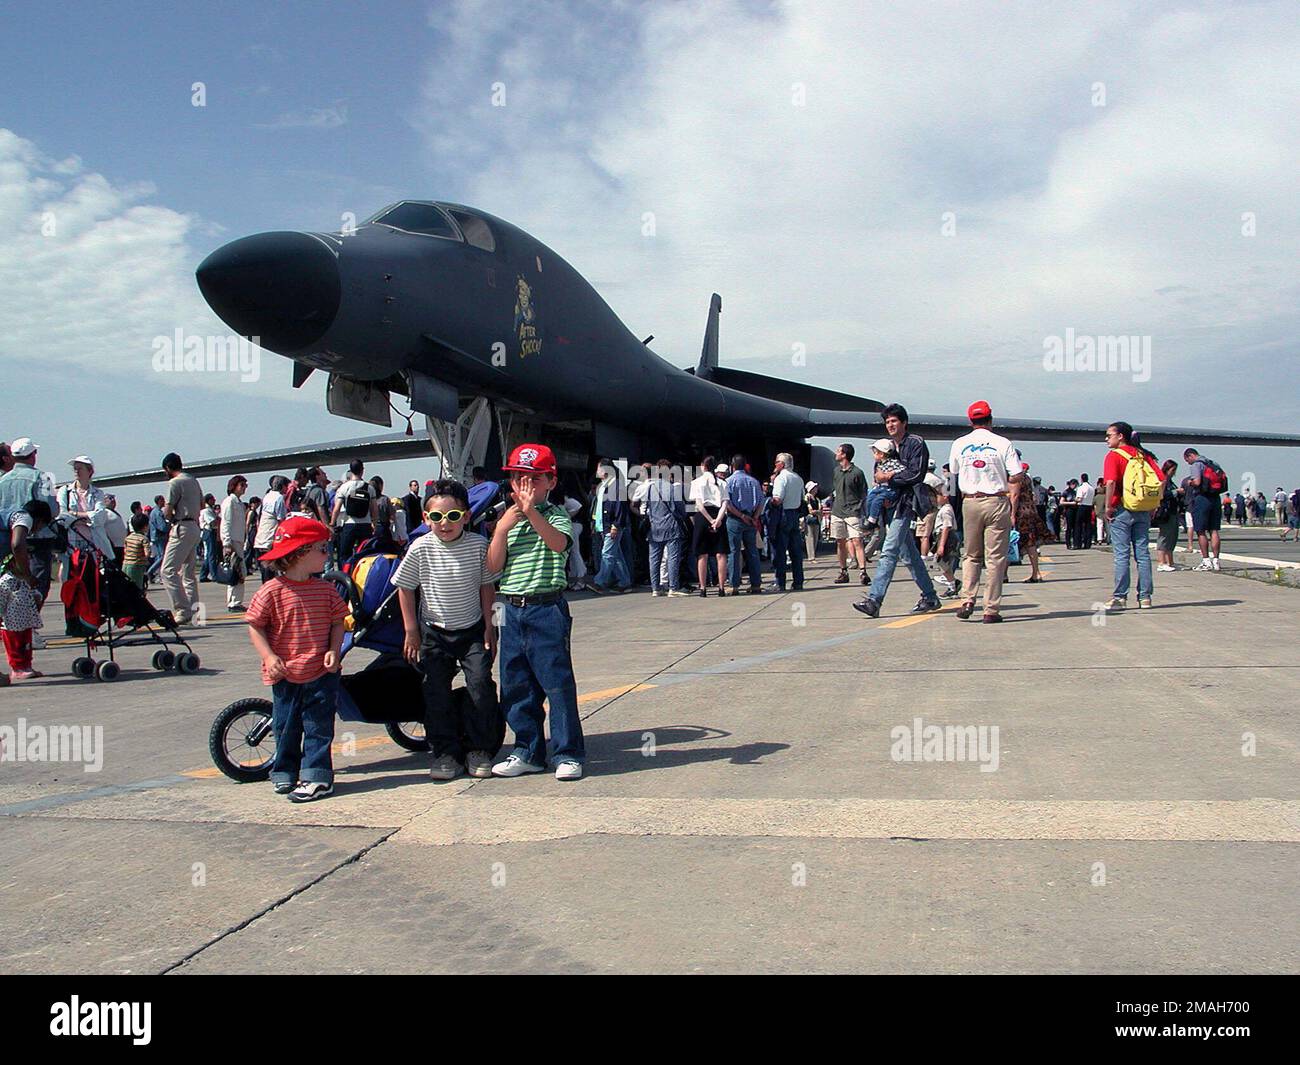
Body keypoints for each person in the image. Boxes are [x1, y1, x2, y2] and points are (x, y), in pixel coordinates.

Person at [487, 443, 585, 781]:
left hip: (546, 608)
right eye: (518, 479)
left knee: (557, 683)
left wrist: (531, 512)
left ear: (550, 483)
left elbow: (558, 544)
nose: (524, 487)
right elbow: (493, 566)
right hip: (512, 609)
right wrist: (501, 529)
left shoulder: (555, 514)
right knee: (515, 684)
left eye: (533, 479)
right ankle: (527, 750)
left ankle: (567, 753)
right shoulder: (507, 519)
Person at [396, 479, 502, 781]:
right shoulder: (420, 548)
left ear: (466, 517)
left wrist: (489, 628)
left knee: (480, 686)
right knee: (435, 692)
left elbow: (487, 587)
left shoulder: (478, 545)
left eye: (453, 516)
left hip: (472, 630)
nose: (445, 523)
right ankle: (445, 753)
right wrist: (411, 630)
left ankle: (479, 748)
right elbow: (405, 588)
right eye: (437, 517)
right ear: (426, 518)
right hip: (434, 632)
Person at [244, 516, 347, 802]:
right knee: (285, 726)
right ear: (301, 553)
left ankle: (317, 776)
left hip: (321, 672)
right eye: (322, 549)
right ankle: (285, 772)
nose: (327, 554)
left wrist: (333, 650)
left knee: (318, 726)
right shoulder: (272, 592)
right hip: (285, 672)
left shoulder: (326, 589)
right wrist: (268, 655)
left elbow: (339, 621)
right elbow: (255, 625)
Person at [854, 404, 942, 618]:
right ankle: (930, 596)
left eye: (894, 421)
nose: (890, 425)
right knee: (909, 554)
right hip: (890, 505)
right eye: (887, 422)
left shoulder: (916, 443)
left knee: (889, 550)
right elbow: (878, 474)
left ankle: (874, 600)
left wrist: (889, 478)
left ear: (904, 422)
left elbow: (915, 475)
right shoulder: (886, 447)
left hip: (906, 504)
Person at [944, 401, 1023, 622]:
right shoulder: (1003, 443)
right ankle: (991, 609)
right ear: (990, 419)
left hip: (970, 501)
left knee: (971, 555)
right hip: (996, 500)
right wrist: (1004, 480)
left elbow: (952, 475)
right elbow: (1017, 474)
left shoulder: (959, 444)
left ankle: (967, 599)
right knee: (995, 557)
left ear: (970, 421)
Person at [0, 439, 60, 645]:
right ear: (33, 455)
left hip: (10, 539)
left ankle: (15, 630)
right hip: (38, 538)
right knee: (37, 584)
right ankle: (30, 628)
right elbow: (51, 509)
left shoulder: (3, 479)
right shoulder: (43, 477)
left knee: (14, 585)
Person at [1102, 423, 1165, 609]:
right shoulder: (1142, 455)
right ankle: (1145, 597)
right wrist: (1154, 503)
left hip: (1121, 509)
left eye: (1109, 435)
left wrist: (1107, 507)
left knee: (1122, 555)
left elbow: (1111, 482)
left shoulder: (1114, 456)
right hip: (1143, 509)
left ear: (1120, 436)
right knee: (1143, 554)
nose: (1106, 439)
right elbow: (1160, 479)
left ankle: (1120, 597)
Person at [0, 500, 52, 683]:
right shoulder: (23, 516)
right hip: (9, 580)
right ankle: (19, 666)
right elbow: (17, 545)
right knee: (15, 620)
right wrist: (27, 576)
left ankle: (20, 666)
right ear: (39, 520)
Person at [159, 453, 203, 625]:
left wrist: (168, 516)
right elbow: (201, 505)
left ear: (168, 468)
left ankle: (182, 609)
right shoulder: (193, 480)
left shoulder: (174, 483)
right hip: (194, 526)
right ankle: (193, 608)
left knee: (168, 570)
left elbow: (168, 509)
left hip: (182, 526)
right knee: (188, 572)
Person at [642, 459, 689, 597]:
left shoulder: (650, 487)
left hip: (654, 526)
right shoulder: (672, 488)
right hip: (671, 526)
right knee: (673, 557)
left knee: (654, 558)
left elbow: (646, 507)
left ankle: (656, 588)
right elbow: (681, 509)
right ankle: (673, 587)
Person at [724, 453, 764, 594]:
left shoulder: (728, 482)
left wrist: (740, 515)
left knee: (734, 552)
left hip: (735, 518)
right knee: (752, 551)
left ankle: (734, 585)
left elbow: (727, 504)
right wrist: (754, 517)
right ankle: (756, 584)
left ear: (732, 466)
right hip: (751, 518)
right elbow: (761, 502)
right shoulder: (753, 481)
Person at [589, 461, 632, 593]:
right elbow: (598, 507)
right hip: (602, 525)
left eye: (598, 468)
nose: (597, 471)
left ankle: (599, 582)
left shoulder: (617, 486)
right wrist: (595, 524)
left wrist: (616, 525)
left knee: (607, 554)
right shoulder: (602, 486)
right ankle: (625, 582)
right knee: (616, 555)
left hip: (612, 526)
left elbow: (620, 507)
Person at [688, 456, 729, 597]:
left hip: (702, 516)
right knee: (721, 553)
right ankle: (722, 587)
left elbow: (698, 504)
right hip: (719, 515)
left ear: (702, 466)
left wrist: (709, 519)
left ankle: (703, 588)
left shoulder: (696, 482)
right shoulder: (722, 483)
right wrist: (718, 519)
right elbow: (725, 503)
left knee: (702, 553)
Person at [830, 443, 868, 584]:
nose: (836, 453)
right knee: (840, 541)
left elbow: (863, 493)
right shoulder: (836, 471)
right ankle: (843, 571)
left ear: (844, 454)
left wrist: (858, 508)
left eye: (839, 451)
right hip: (837, 511)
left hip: (852, 511)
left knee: (857, 540)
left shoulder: (857, 472)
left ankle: (863, 571)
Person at [1183, 448, 1225, 571]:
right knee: (1214, 530)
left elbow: (1197, 482)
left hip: (1202, 498)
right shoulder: (1213, 463)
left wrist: (1189, 483)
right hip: (1215, 498)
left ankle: (1206, 560)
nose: (1188, 463)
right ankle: (1216, 560)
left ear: (1190, 456)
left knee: (1200, 530)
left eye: (1187, 460)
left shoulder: (1197, 465)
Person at [769, 452, 805, 592]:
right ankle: (798, 581)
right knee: (796, 551)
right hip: (795, 513)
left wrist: (769, 500)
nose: (775, 464)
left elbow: (777, 499)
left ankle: (780, 582)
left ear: (781, 464)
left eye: (776, 462)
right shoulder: (798, 478)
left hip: (783, 513)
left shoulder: (781, 478)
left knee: (780, 550)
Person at [1013, 454, 1050, 583]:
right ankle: (1036, 573)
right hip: (1030, 510)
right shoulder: (1027, 476)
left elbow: (1014, 496)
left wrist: (1011, 514)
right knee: (1030, 542)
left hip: (1020, 512)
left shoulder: (1014, 476)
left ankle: (1005, 574)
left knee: (1009, 541)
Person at [331, 460, 376, 564]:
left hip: (349, 524)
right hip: (365, 524)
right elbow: (374, 509)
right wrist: (374, 523)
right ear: (362, 470)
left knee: (344, 555)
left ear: (350, 471)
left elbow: (336, 508)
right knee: (365, 554)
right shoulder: (370, 488)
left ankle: (345, 577)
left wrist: (332, 524)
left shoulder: (344, 487)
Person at [220, 476, 249, 610]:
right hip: (232, 541)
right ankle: (233, 602)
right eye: (242, 485)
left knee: (239, 572)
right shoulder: (229, 501)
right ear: (234, 486)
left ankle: (235, 601)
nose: (244, 488)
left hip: (239, 540)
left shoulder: (239, 503)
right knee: (235, 572)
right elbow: (226, 522)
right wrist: (226, 543)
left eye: (245, 485)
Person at [254, 475, 290, 579]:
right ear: (282, 486)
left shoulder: (267, 496)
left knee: (264, 567)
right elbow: (281, 519)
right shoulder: (278, 497)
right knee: (270, 566)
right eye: (286, 486)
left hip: (262, 535)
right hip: (271, 535)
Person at [1154, 459, 1183, 572]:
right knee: (1164, 537)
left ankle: (1170, 562)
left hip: (1172, 511)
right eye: (1173, 470)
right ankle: (1161, 562)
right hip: (1165, 512)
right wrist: (1176, 492)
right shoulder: (1163, 480)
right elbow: (1161, 495)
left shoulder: (1170, 481)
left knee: (1172, 537)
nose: (1174, 472)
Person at [931, 486, 960, 598]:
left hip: (947, 538)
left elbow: (946, 527)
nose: (935, 499)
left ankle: (952, 584)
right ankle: (952, 583)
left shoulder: (946, 510)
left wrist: (941, 545)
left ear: (945, 496)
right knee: (940, 562)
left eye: (937, 496)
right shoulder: (943, 509)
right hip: (941, 536)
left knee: (943, 561)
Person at [121, 512, 152, 590]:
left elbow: (125, 550)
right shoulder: (144, 539)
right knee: (137, 588)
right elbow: (147, 553)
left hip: (125, 565)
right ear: (145, 526)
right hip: (137, 566)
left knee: (127, 587)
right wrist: (146, 559)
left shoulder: (128, 538)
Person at [146, 494, 169, 584]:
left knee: (159, 557)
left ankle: (158, 574)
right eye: (163, 500)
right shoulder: (158, 513)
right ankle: (150, 571)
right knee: (162, 557)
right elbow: (162, 526)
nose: (164, 502)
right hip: (160, 537)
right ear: (159, 501)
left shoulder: (154, 512)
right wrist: (169, 525)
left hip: (155, 536)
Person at [198, 494, 220, 582]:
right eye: (212, 499)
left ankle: (203, 575)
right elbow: (212, 522)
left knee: (208, 555)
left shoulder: (210, 510)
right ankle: (214, 575)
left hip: (210, 532)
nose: (214, 500)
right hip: (208, 532)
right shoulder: (206, 511)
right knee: (211, 554)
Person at [102, 494, 127, 565]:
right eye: (110, 498)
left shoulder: (114, 512)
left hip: (120, 546)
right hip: (113, 547)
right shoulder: (104, 512)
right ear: (104, 501)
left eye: (113, 498)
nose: (113, 500)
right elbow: (101, 528)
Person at [1074, 475, 1096, 549]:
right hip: (1089, 506)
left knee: (1078, 525)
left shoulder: (1081, 488)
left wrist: (1075, 500)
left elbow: (1079, 498)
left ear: (1081, 479)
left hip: (1082, 506)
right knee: (1088, 525)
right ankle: (1087, 543)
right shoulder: (1091, 488)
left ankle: (1078, 543)